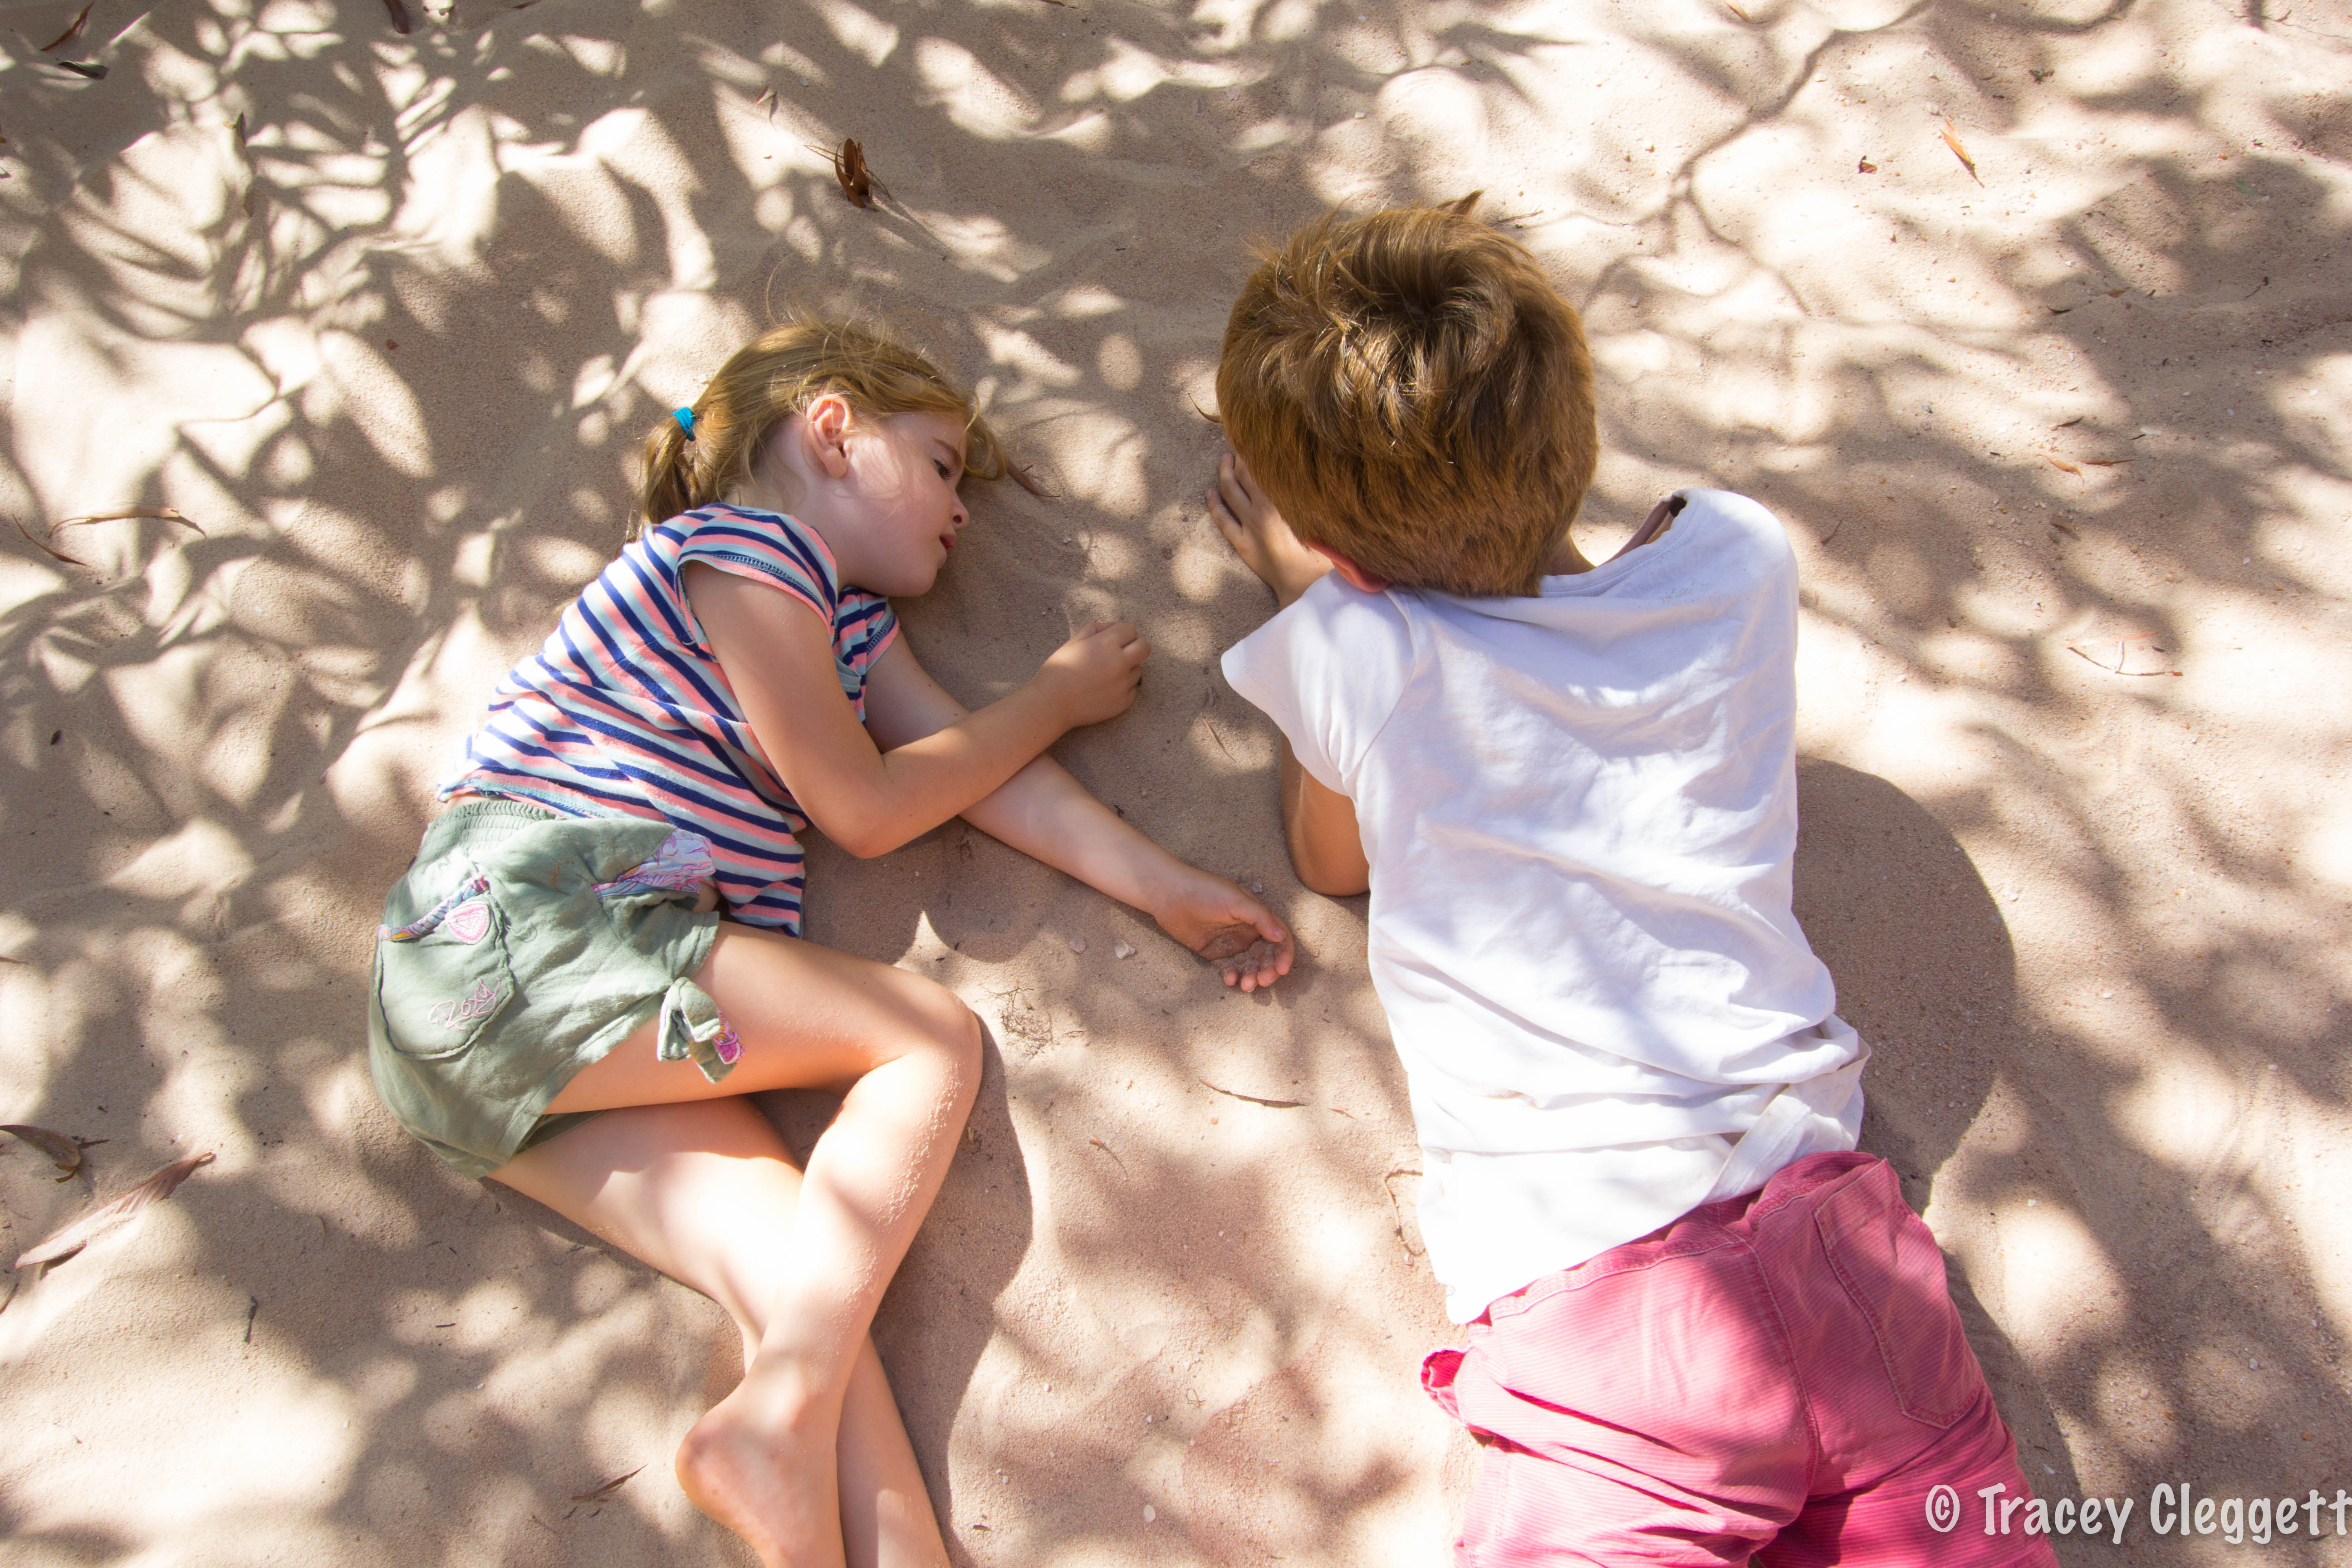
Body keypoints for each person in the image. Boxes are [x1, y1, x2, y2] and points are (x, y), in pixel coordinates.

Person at [1205, 201, 2055, 1567]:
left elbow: (1330, 861)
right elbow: (1645, 557)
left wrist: (1313, 604)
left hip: (1614, 1312)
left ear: (1345, 561)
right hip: (1842, 1248)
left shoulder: (1361, 655)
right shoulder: (1740, 561)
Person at [367, 318, 1294, 1568]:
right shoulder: (746, 553)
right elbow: (864, 808)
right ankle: (777, 1424)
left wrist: (1164, 888)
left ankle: (832, 1506)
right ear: (832, 430)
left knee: (807, 1282)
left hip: (474, 1041)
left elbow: (973, 773)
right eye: (943, 465)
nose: (958, 510)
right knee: (927, 1043)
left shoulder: (842, 629)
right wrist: (1052, 699)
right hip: (534, 927)